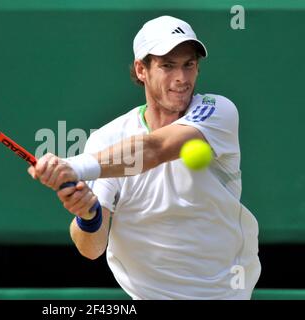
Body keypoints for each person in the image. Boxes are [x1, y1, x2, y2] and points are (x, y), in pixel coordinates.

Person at [28, 15, 261, 299]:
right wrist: (88, 215)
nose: (182, 78)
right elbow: (92, 249)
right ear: (141, 69)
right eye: (168, 66)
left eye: (189, 65)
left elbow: (154, 149)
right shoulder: (107, 140)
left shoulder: (218, 111)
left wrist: (72, 167)